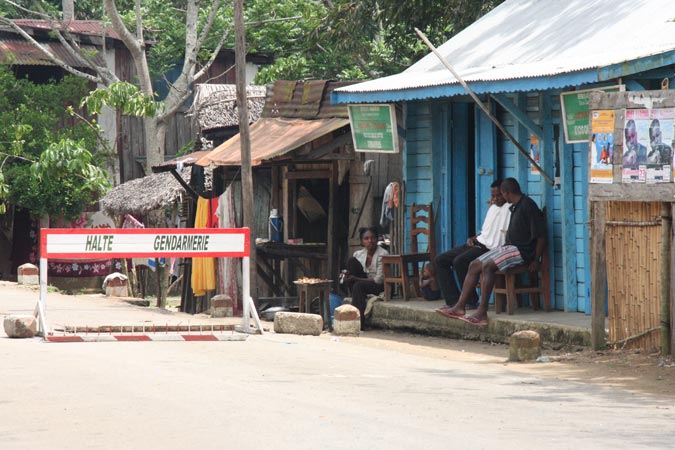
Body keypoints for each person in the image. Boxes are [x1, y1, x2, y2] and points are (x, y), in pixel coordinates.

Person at [440, 177, 545, 326]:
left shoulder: (528, 206)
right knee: (474, 264)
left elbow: (541, 236)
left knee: (488, 266)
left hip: (522, 251)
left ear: (507, 193)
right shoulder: (515, 206)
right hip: (509, 248)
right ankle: (459, 307)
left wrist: (535, 259)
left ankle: (482, 312)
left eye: (502, 194)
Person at [434, 180, 511, 312]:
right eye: (493, 196)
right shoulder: (492, 208)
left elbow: (501, 235)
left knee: (460, 261)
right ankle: (452, 300)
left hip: (490, 248)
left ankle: (470, 301)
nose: (495, 198)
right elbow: (488, 231)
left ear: (505, 193)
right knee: (440, 259)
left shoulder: (510, 209)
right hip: (478, 242)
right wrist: (474, 237)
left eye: (498, 195)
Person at [342, 226, 389, 328]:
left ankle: (359, 323)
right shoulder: (358, 254)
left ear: (377, 239)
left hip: (377, 286)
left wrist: (355, 279)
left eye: (372, 238)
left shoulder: (383, 254)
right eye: (366, 239)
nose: (370, 241)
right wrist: (348, 276)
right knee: (351, 261)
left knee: (358, 286)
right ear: (362, 241)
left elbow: (379, 280)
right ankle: (355, 304)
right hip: (362, 282)